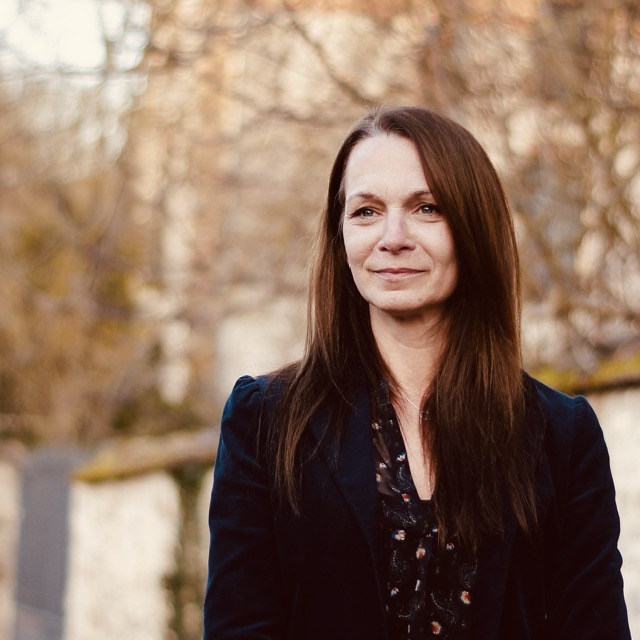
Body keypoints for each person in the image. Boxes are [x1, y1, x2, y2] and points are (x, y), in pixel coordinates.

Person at [203, 106, 631, 640]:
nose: (393, 237)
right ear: (340, 237)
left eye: (426, 208)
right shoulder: (266, 421)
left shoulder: (561, 436)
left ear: (472, 228)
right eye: (366, 211)